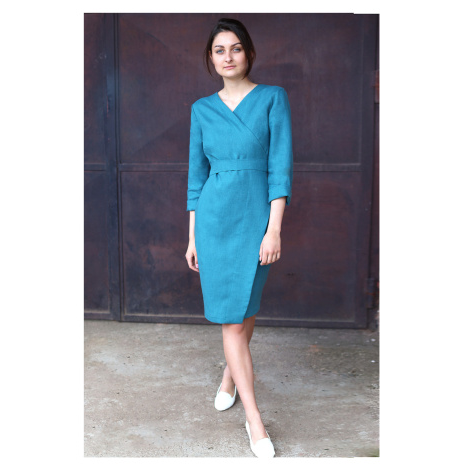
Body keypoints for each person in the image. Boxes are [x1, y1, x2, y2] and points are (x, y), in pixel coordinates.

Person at [185, 17, 293, 458]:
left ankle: (230, 375)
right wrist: (192, 238)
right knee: (232, 319)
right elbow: (196, 180)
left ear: (248, 52)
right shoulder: (201, 109)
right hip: (213, 223)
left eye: (235, 48)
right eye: (219, 50)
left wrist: (274, 229)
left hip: (255, 220)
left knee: (245, 307)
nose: (227, 57)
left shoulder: (272, 98)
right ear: (210, 59)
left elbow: (280, 169)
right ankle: (255, 420)